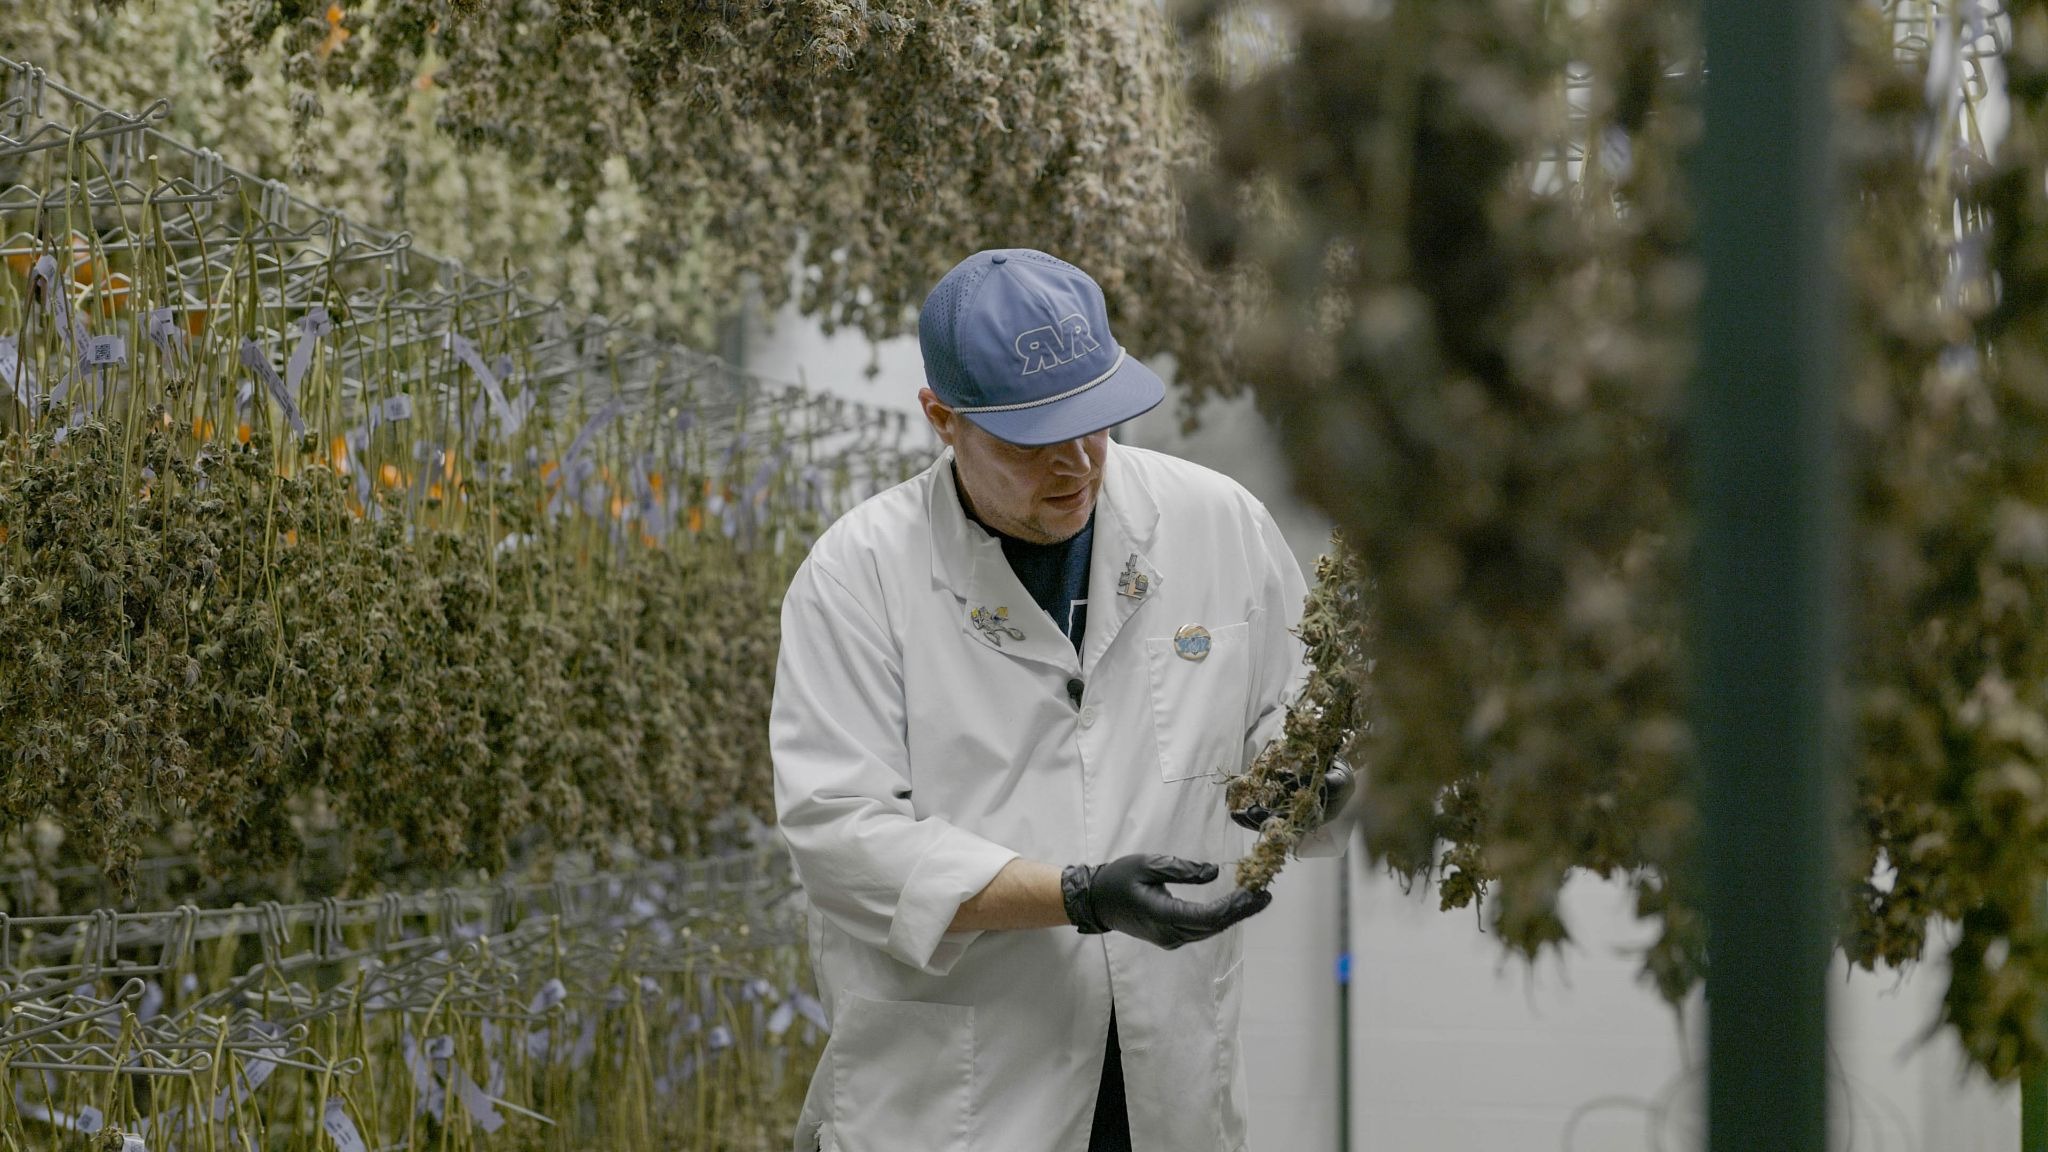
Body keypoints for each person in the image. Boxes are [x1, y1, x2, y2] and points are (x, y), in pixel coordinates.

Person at [771, 248, 1354, 1152]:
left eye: (1096, 423)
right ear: (942, 419)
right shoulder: (860, 576)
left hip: (1166, 1079)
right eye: (1031, 440)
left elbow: (1287, 728)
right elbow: (840, 836)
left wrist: (1320, 792)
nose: (1078, 463)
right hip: (964, 1092)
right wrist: (1076, 896)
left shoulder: (1217, 523)